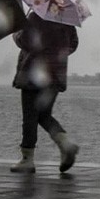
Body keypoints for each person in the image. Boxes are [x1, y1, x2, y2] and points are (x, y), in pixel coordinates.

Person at [10, 12, 79, 174]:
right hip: (55, 75)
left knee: (30, 116)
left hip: (33, 74)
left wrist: (16, 35)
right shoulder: (66, 20)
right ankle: (66, 144)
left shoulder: (36, 16)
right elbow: (73, 44)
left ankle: (27, 159)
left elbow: (26, 41)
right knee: (43, 115)